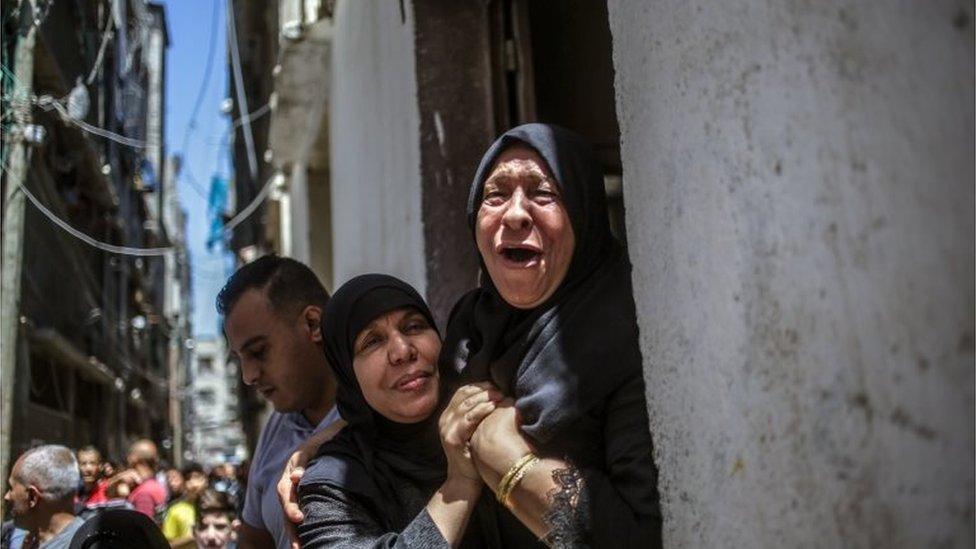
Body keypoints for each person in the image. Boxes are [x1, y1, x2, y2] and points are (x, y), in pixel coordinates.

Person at [440, 123, 663, 546]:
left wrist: (512, 465)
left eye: (543, 193)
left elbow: (641, 534)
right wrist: (314, 445)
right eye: (495, 195)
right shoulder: (469, 330)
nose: (516, 213)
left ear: (584, 214)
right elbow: (392, 411)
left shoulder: (626, 335)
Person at [296, 274, 510, 548]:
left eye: (413, 326)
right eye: (372, 342)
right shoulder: (330, 486)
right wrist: (459, 483)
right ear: (348, 374)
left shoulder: (491, 407)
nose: (402, 351)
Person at [217, 255, 343, 549]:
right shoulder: (277, 427)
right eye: (241, 359)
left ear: (313, 323)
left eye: (259, 352)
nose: (249, 376)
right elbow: (253, 541)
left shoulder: (386, 404)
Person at [4, 445, 86, 548]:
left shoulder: (85, 543)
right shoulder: (23, 538)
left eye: (11, 488)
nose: (7, 496)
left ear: (33, 497)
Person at [107, 439, 167, 520]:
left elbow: (143, 527)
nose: (127, 459)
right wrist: (119, 478)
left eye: (129, 455)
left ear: (134, 458)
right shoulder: (154, 486)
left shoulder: (144, 492)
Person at [162, 462, 208, 548]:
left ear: (205, 480)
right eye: (188, 479)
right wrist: (193, 537)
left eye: (197, 477)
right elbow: (167, 545)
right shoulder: (175, 510)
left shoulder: (216, 507)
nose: (193, 484)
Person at [76, 446, 110, 511]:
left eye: (92, 463)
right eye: (83, 464)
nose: (88, 468)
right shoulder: (74, 494)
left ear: (100, 466)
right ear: (78, 466)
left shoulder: (108, 490)